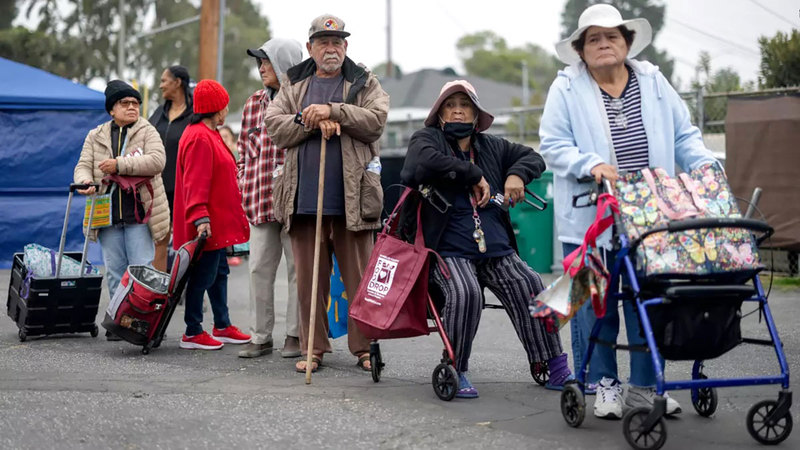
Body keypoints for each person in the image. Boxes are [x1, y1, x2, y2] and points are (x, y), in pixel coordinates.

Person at [539, 4, 717, 419]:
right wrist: (591, 164)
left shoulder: (653, 81)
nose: (604, 44)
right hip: (589, 215)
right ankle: (603, 384)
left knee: (647, 301)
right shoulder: (565, 86)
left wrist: (706, 166)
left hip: (649, 214)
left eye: (612, 36)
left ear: (627, 42)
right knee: (590, 304)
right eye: (593, 39)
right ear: (581, 50)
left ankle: (642, 387)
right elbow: (553, 144)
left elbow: (685, 135)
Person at [399, 80, 572, 399]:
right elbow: (415, 167)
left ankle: (553, 361)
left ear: (476, 115)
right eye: (450, 105)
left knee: (530, 282)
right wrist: (473, 174)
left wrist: (516, 175)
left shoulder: (493, 146)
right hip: (448, 250)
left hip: (494, 247)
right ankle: (456, 365)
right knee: (466, 294)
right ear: (439, 114)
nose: (458, 110)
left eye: (465, 104)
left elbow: (534, 158)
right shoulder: (427, 139)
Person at [265, 14, 389, 373]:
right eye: (323, 42)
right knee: (309, 281)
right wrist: (310, 119)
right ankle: (313, 348)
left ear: (346, 46)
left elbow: (376, 121)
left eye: (337, 42)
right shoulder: (294, 82)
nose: (330, 48)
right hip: (305, 199)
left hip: (353, 198)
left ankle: (365, 348)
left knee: (359, 279)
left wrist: (336, 112)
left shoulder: (364, 80)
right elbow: (275, 125)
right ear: (310, 48)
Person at [74, 80, 170, 339]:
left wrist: (119, 165)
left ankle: (141, 324)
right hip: (107, 216)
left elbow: (157, 161)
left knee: (141, 270)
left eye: (135, 103)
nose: (132, 107)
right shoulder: (96, 135)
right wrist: (85, 181)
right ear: (111, 109)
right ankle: (119, 322)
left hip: (140, 216)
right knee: (116, 272)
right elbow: (83, 165)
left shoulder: (147, 130)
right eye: (124, 103)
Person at [236, 38, 304, 359]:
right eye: (259, 62)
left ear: (284, 63)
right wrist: (243, 182)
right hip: (259, 199)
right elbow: (242, 154)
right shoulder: (253, 103)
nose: (261, 67)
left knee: (298, 270)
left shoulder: (304, 99)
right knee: (258, 269)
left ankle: (295, 335)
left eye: (266, 61)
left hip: (295, 201)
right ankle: (260, 336)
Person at [173, 79, 252, 350]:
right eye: (223, 105)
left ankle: (222, 324)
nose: (226, 109)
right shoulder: (199, 137)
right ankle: (192, 331)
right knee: (201, 277)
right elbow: (195, 183)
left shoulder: (209, 133)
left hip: (216, 223)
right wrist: (201, 218)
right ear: (214, 108)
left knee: (218, 273)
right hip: (205, 224)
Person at [149, 65, 193, 271]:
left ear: (178, 83)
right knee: (160, 240)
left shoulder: (195, 114)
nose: (160, 86)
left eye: (164, 80)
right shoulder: (158, 114)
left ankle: (189, 291)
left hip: (186, 188)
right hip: (159, 188)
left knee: (187, 243)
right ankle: (159, 295)